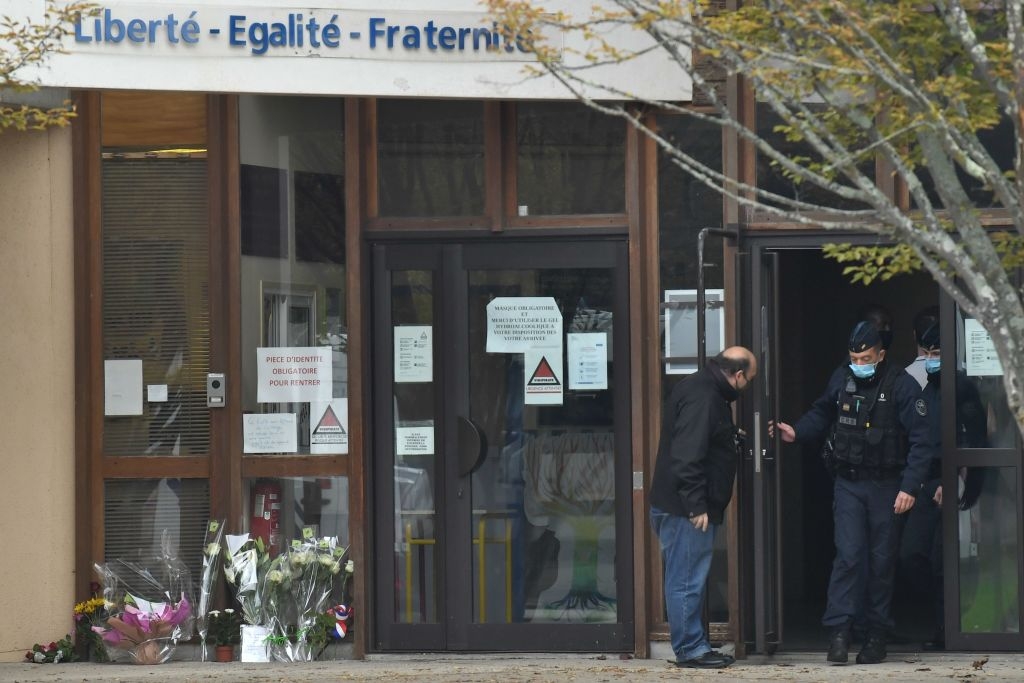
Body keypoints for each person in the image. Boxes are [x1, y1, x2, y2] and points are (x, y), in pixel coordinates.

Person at [773, 322, 932, 665]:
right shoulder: (841, 378)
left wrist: (909, 487)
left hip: (888, 485)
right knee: (848, 556)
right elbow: (822, 412)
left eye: (866, 357)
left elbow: (922, 441)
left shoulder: (901, 386)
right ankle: (840, 632)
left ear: (881, 354)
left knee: (881, 562)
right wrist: (796, 432)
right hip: (849, 483)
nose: (859, 362)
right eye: (855, 357)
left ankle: (876, 635)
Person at [650, 346, 757, 669]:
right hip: (686, 508)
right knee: (686, 580)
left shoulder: (697, 385)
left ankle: (694, 643)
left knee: (686, 576)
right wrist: (697, 506)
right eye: (748, 380)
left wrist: (728, 435)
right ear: (737, 375)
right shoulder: (707, 398)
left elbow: (698, 439)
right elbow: (687, 455)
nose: (746, 386)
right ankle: (691, 650)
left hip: (678, 502)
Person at [898, 307, 987, 651]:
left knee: (947, 560)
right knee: (913, 557)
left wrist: (955, 481)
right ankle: (941, 619)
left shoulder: (961, 384)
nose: (929, 359)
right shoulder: (907, 380)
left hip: (949, 478)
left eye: (936, 353)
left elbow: (973, 436)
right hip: (918, 479)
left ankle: (948, 627)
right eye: (925, 352)